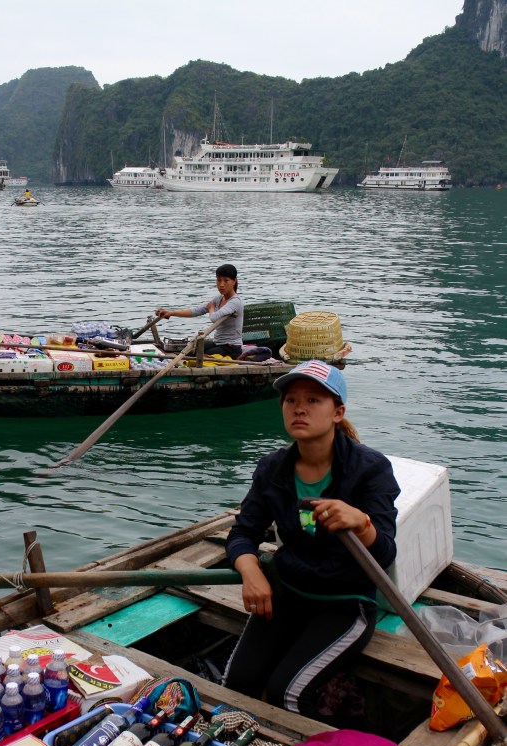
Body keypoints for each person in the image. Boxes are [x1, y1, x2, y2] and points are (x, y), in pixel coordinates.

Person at [222, 359, 400, 721]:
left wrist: (362, 524)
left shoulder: (369, 469)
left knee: (287, 694)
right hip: (289, 591)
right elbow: (244, 532)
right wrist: (250, 571)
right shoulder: (273, 468)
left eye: (314, 400)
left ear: (338, 412)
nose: (299, 408)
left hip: (345, 603)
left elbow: (384, 555)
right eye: (290, 400)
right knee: (235, 685)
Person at [155, 264, 244, 358]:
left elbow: (214, 318)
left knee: (200, 355)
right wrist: (171, 313)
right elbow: (196, 311)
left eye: (226, 280)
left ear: (234, 281)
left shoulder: (235, 302)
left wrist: (211, 308)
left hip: (231, 348)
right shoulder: (219, 299)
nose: (221, 284)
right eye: (219, 280)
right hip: (217, 342)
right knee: (191, 349)